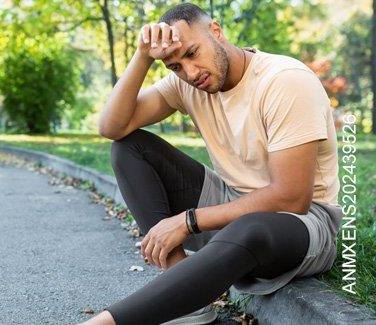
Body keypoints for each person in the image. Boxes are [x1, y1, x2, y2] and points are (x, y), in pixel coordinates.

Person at [84, 3, 342, 324]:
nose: (190, 73)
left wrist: (187, 221)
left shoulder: (284, 80)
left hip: (302, 222)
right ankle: (187, 299)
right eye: (175, 66)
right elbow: (112, 127)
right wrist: (142, 56)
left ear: (216, 31)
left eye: (192, 53)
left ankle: (105, 322)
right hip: (233, 202)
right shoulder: (186, 83)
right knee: (129, 148)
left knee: (252, 226)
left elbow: (291, 197)